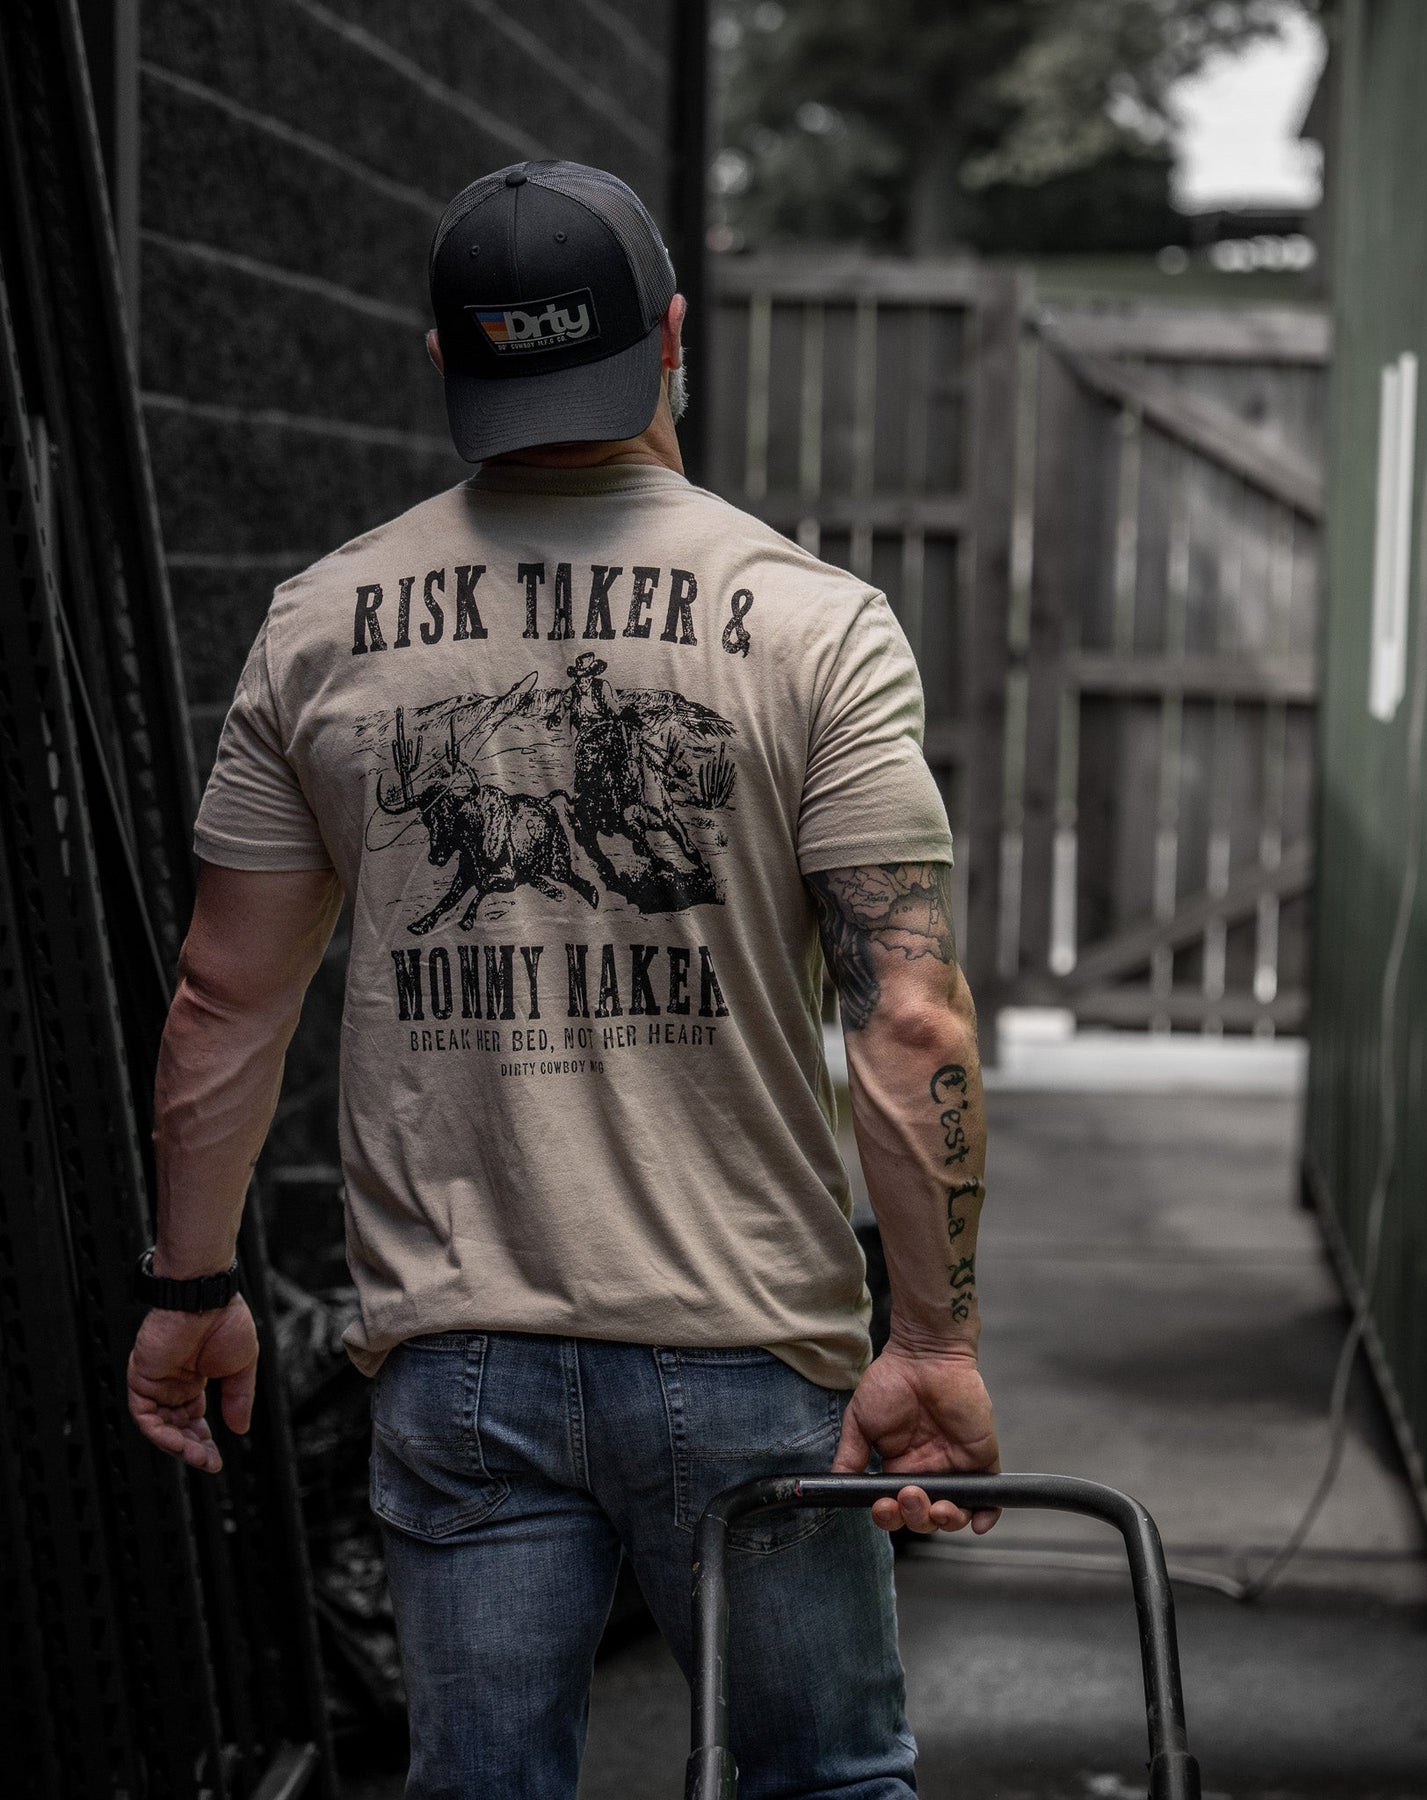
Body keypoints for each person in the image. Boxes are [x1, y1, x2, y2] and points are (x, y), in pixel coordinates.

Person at [125, 161, 998, 1800]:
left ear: (444, 362)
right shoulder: (815, 625)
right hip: (749, 1341)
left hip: (458, 1355)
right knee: (819, 1787)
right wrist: (935, 1341)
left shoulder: (318, 626)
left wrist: (190, 1291)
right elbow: (910, 1013)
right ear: (671, 336)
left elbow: (223, 999)